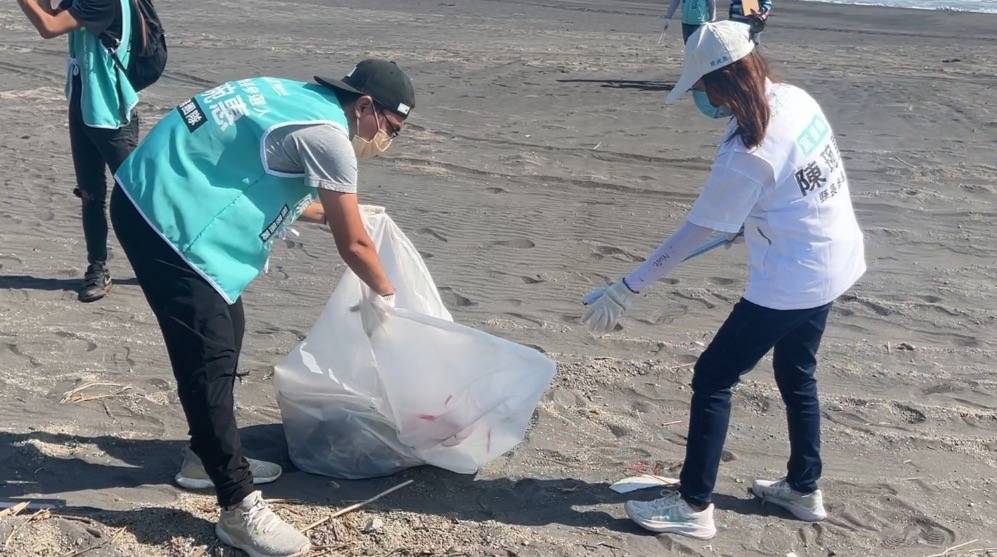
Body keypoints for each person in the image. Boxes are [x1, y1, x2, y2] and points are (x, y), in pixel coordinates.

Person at [110, 59, 414, 556]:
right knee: (206, 356)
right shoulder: (332, 138)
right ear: (364, 106)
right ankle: (238, 508)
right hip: (162, 218)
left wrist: (335, 215)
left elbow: (255, 166)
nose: (386, 140)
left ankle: (200, 457)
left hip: (152, 187)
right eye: (390, 128)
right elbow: (354, 244)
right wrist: (390, 296)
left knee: (227, 328)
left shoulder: (293, 94)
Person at [582, 21, 865, 539]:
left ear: (722, 81)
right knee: (797, 371)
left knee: (713, 378)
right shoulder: (795, 99)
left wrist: (628, 287)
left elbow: (695, 233)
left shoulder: (747, 151)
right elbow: (794, 185)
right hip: (836, 260)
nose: (701, 98)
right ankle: (804, 489)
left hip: (791, 281)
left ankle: (694, 505)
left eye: (701, 87)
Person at [16, 0, 140, 302]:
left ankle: (175, 263)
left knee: (138, 197)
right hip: (83, 105)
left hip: (111, 112)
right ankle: (97, 268)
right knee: (90, 194)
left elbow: (48, 27)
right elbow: (53, 16)